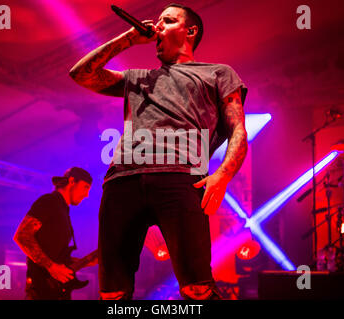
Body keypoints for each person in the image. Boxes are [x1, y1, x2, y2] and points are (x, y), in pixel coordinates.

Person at [69, 3, 248, 300]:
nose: (157, 27)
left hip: (180, 178)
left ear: (190, 31)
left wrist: (223, 175)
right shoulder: (137, 78)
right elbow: (81, 74)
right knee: (112, 292)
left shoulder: (218, 73)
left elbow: (238, 129)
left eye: (167, 20)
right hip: (122, 180)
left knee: (197, 288)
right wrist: (127, 38)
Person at [13, 167, 93, 300]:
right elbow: (22, 235)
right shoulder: (49, 201)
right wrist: (52, 267)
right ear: (72, 181)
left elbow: (55, 255)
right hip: (41, 290)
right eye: (85, 187)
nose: (87, 195)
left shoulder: (64, 211)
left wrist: (88, 261)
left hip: (57, 291)